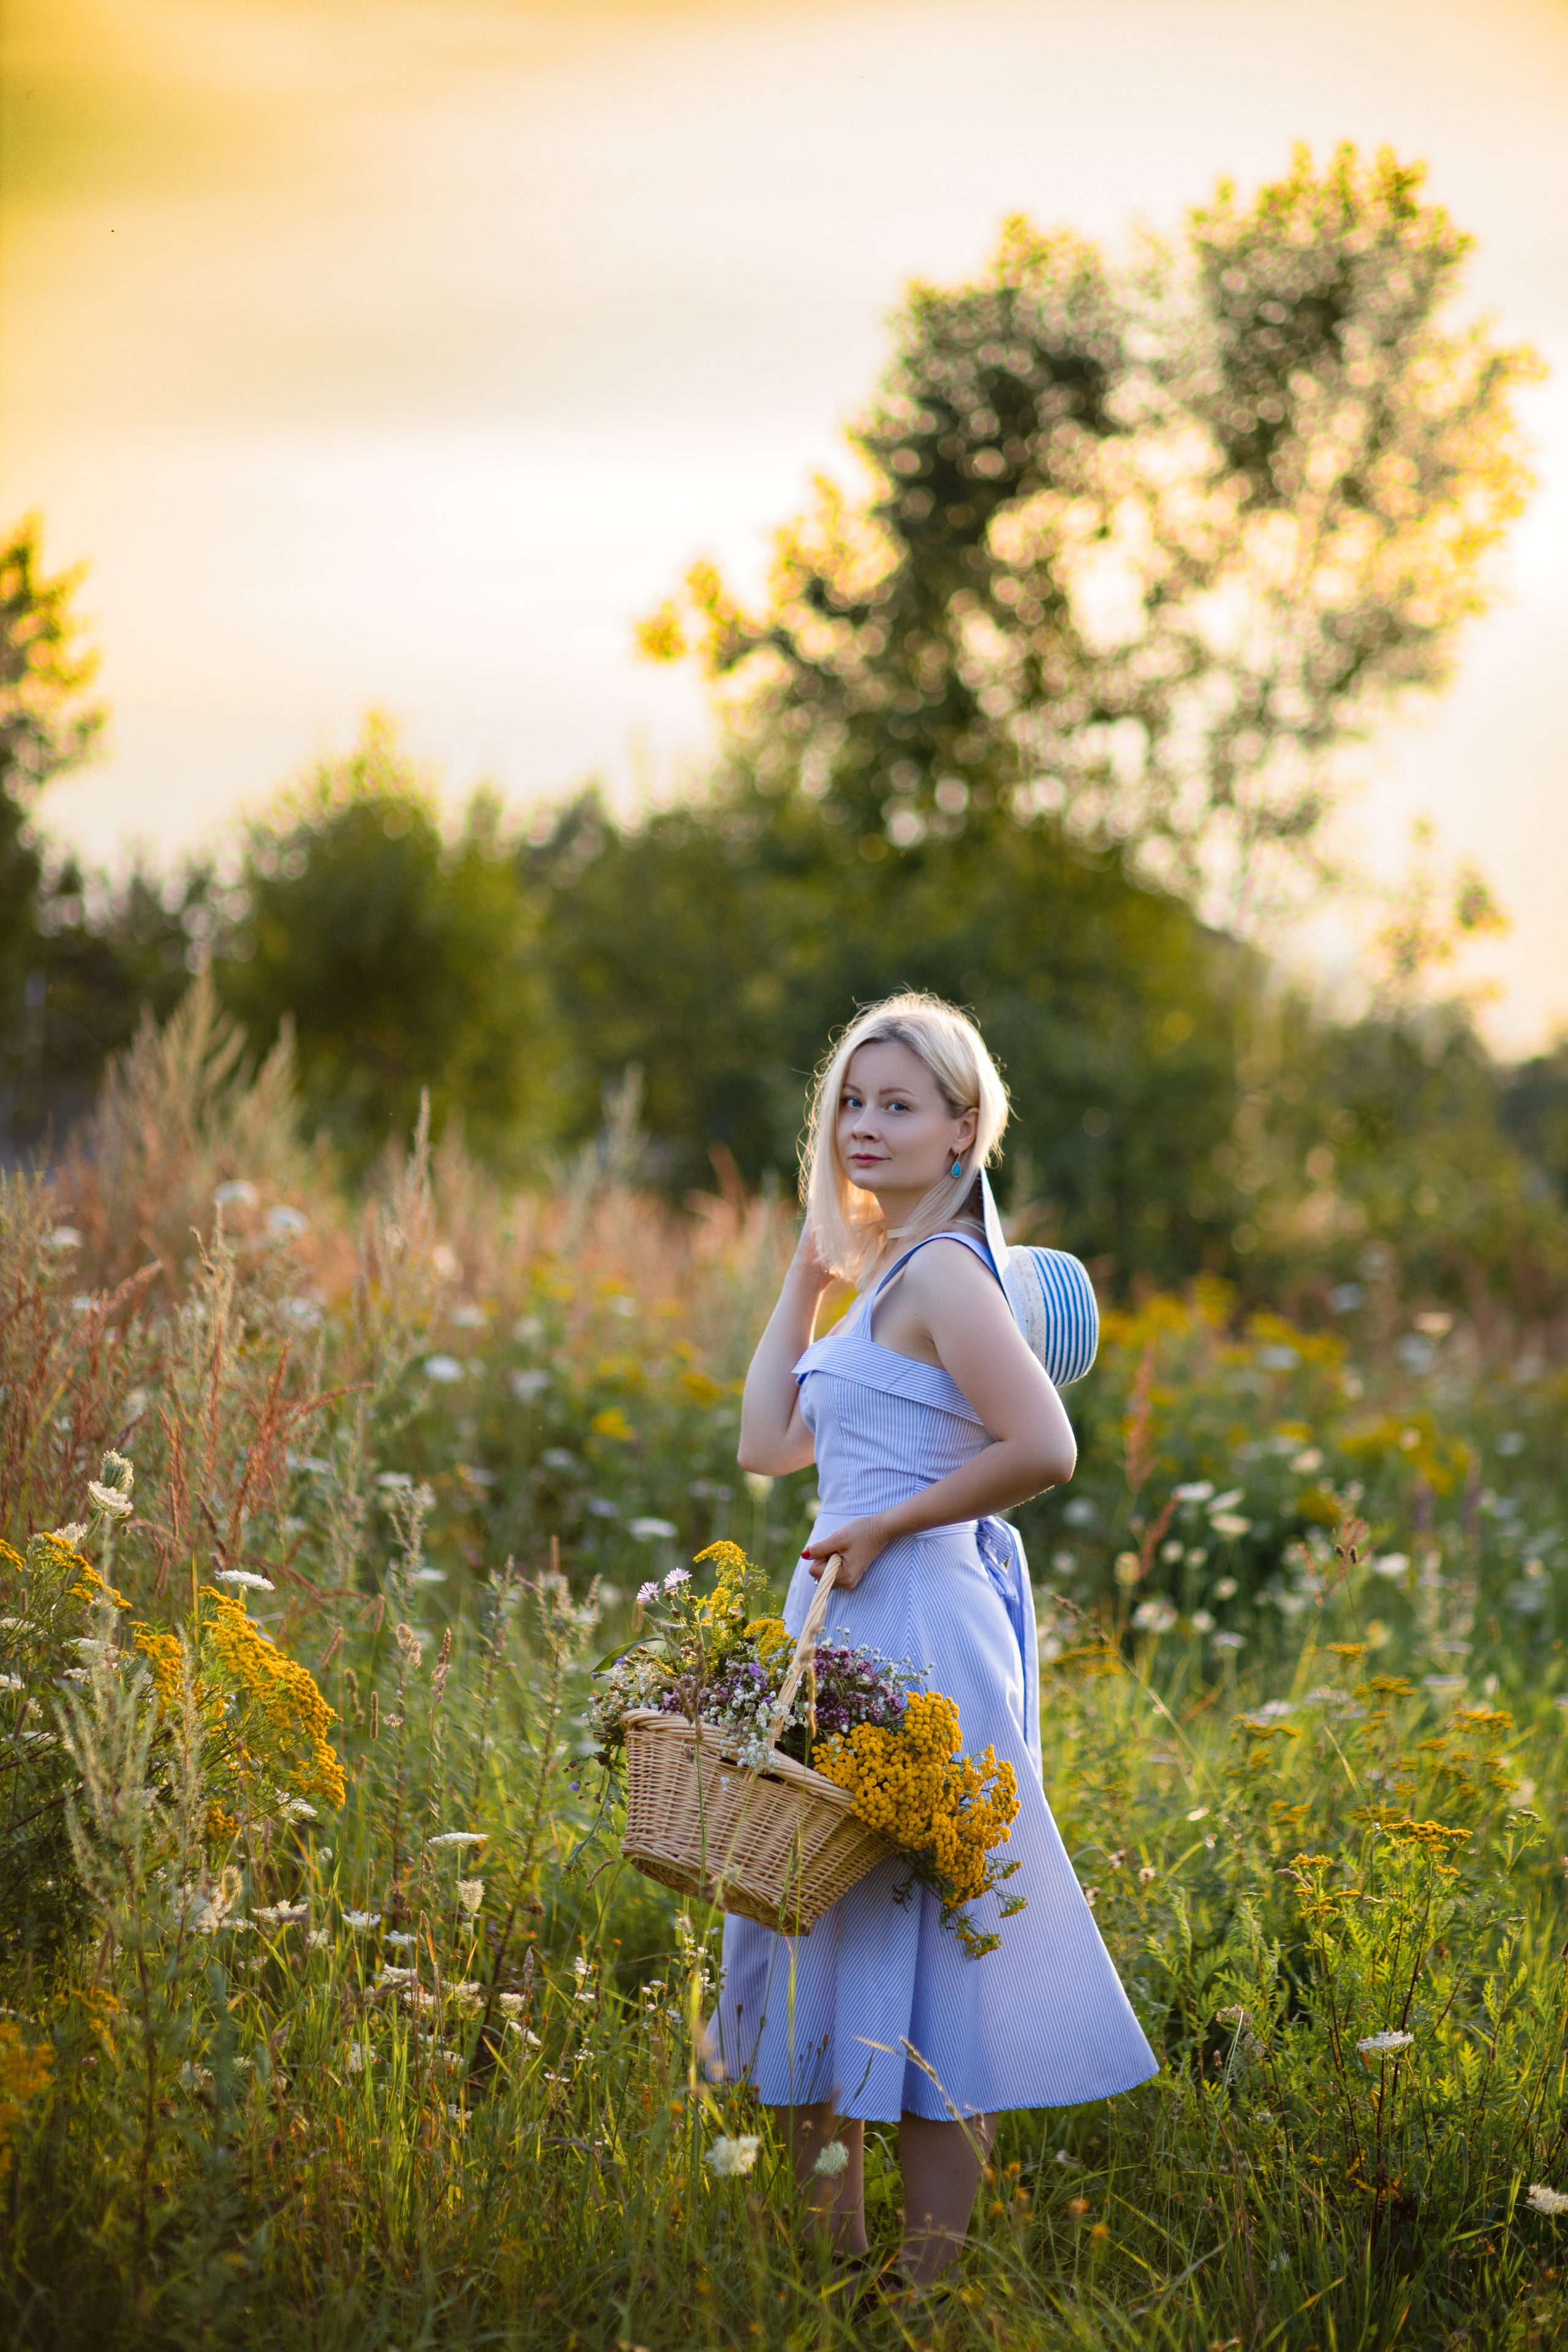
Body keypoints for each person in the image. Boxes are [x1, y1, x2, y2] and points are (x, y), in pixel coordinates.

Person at [717, 991, 1156, 2290]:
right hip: (848, 1611)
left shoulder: (949, 1273)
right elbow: (766, 1449)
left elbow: (1046, 1448)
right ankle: (833, 2274)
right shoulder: (885, 1277)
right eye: (851, 1101)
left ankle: (922, 2291)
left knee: (921, 1942)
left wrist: (887, 1526)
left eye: (897, 1104)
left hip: (915, 1618)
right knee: (816, 1916)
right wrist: (803, 1280)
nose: (863, 1124)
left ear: (963, 1129)